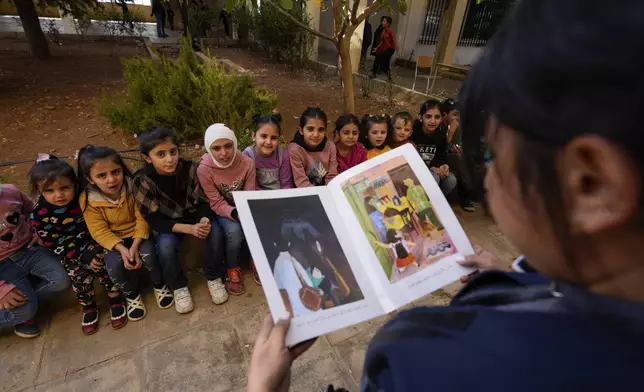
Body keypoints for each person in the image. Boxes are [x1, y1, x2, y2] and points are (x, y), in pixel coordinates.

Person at [245, 0, 644, 390]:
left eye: (491, 154)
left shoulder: (413, 363)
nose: (485, 178)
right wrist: (509, 282)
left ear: (589, 183)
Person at [133, 126, 228, 313]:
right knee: (165, 246)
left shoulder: (190, 169)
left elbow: (202, 201)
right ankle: (178, 286)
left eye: (173, 152)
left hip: (193, 216)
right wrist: (188, 229)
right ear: (147, 158)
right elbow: (154, 220)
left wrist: (204, 220)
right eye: (160, 154)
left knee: (215, 232)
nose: (170, 159)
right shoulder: (142, 180)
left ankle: (213, 276)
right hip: (167, 224)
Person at [28, 156, 124, 335]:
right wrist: (82, 255)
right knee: (78, 276)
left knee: (104, 265)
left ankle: (115, 297)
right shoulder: (40, 214)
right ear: (39, 190)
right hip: (70, 252)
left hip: (95, 242)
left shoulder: (84, 200)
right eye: (50, 190)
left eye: (65, 187)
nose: (59, 195)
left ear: (74, 184)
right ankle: (89, 307)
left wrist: (92, 252)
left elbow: (97, 225)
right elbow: (53, 242)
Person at [77, 146, 174, 323]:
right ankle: (131, 296)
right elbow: (99, 230)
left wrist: (135, 244)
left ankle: (159, 285)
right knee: (113, 266)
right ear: (89, 179)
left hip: (139, 234)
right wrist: (121, 248)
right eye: (101, 176)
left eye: (116, 172)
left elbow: (142, 216)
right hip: (114, 242)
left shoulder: (133, 186)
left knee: (150, 254)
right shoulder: (88, 200)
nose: (111, 180)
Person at [197, 124, 259, 295]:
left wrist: (244, 211)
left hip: (243, 205)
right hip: (221, 211)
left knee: (256, 223)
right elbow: (215, 202)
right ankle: (232, 267)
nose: (223, 153)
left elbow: (249, 192)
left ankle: (256, 260)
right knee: (234, 231)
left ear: (235, 143)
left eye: (228, 146)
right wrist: (233, 213)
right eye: (216, 148)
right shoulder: (204, 169)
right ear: (209, 148)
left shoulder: (246, 163)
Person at [1, 183, 69, 338]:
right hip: (3, 266)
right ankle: (22, 309)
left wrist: (40, 230)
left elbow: (32, 209)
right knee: (25, 311)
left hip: (28, 249)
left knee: (61, 280)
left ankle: (28, 299)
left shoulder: (10, 191)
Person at [411, 99, 457, 196]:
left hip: (431, 169)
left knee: (451, 180)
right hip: (415, 170)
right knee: (434, 178)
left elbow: (440, 157)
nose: (433, 121)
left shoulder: (440, 136)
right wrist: (432, 168)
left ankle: (436, 201)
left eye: (437, 117)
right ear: (420, 117)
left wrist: (443, 166)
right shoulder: (413, 133)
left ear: (441, 119)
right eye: (428, 116)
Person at [242, 112, 294, 190]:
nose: (268, 142)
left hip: (280, 195)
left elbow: (286, 183)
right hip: (258, 197)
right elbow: (251, 186)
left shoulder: (283, 155)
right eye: (263, 136)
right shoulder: (248, 156)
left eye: (273, 138)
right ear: (253, 136)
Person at [288, 107, 338, 187]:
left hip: (326, 191)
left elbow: (332, 176)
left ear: (325, 131)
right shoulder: (294, 149)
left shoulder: (330, 146)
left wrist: (328, 192)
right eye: (310, 129)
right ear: (301, 130)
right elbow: (301, 182)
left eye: (321, 130)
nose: (316, 135)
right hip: (304, 193)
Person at [442, 98, 475, 212]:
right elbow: (442, 150)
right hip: (440, 158)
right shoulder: (439, 125)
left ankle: (469, 191)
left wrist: (457, 148)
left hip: (452, 156)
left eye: (459, 114)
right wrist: (450, 134)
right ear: (445, 115)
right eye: (454, 114)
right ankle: (467, 193)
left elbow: (456, 145)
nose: (457, 118)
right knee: (459, 160)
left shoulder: (458, 127)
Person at [371, 16, 396, 80]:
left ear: (388, 23)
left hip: (390, 49)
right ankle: (388, 77)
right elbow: (382, 41)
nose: (382, 22)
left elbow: (393, 39)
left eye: (384, 21)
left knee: (381, 59)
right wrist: (377, 48)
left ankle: (376, 73)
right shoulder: (383, 31)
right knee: (384, 62)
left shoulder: (390, 31)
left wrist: (397, 47)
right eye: (382, 21)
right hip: (385, 49)